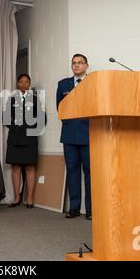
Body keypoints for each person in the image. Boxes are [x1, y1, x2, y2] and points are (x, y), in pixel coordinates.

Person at [56, 54, 92, 220]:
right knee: (72, 172)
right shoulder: (63, 84)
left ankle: (91, 209)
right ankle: (75, 208)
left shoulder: (94, 82)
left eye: (80, 63)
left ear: (86, 65)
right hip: (69, 136)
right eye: (74, 63)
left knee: (90, 173)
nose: (76, 66)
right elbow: (60, 108)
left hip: (89, 135)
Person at [3, 74, 46, 209]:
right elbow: (5, 119)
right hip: (15, 138)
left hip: (30, 138)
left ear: (29, 85)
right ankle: (16, 198)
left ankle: (30, 198)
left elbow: (42, 119)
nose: (23, 84)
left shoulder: (35, 99)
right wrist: (17, 127)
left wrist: (29, 127)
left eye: (26, 82)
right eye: (21, 81)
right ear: (18, 84)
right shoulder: (11, 100)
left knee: (30, 167)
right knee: (15, 167)